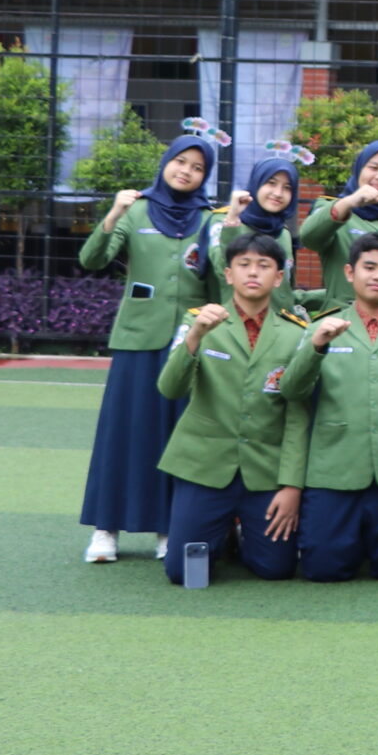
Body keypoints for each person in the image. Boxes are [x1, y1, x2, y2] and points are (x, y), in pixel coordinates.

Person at [80, 126, 219, 563]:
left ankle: (167, 528)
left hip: (189, 343)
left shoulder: (210, 219)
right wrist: (113, 214)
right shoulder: (136, 209)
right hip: (138, 341)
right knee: (123, 434)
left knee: (176, 438)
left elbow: (219, 279)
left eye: (198, 167)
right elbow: (93, 259)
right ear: (165, 163)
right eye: (180, 161)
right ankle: (105, 530)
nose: (187, 171)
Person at [276, 233, 378, 582]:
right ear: (350, 272)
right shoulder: (321, 327)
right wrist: (317, 347)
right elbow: (291, 390)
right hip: (335, 469)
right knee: (323, 569)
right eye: (369, 267)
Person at [155, 230, 310, 585]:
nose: (253, 272)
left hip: (264, 469)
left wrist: (292, 486)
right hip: (204, 464)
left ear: (279, 277)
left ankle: (238, 535)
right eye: (244, 264)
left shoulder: (296, 333)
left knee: (276, 569)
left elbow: (298, 415)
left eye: (263, 265)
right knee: (185, 572)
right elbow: (170, 388)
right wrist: (195, 336)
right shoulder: (199, 321)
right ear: (228, 274)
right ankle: (219, 532)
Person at [296, 139, 378, 317]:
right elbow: (309, 238)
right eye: (373, 168)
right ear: (359, 169)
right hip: (346, 323)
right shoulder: (338, 211)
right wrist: (350, 202)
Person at [208, 145, 305, 318]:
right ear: (257, 183)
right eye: (271, 183)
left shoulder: (283, 233)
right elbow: (221, 269)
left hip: (278, 326)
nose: (278, 193)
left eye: (287, 187)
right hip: (238, 323)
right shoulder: (226, 222)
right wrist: (233, 218)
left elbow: (284, 291)